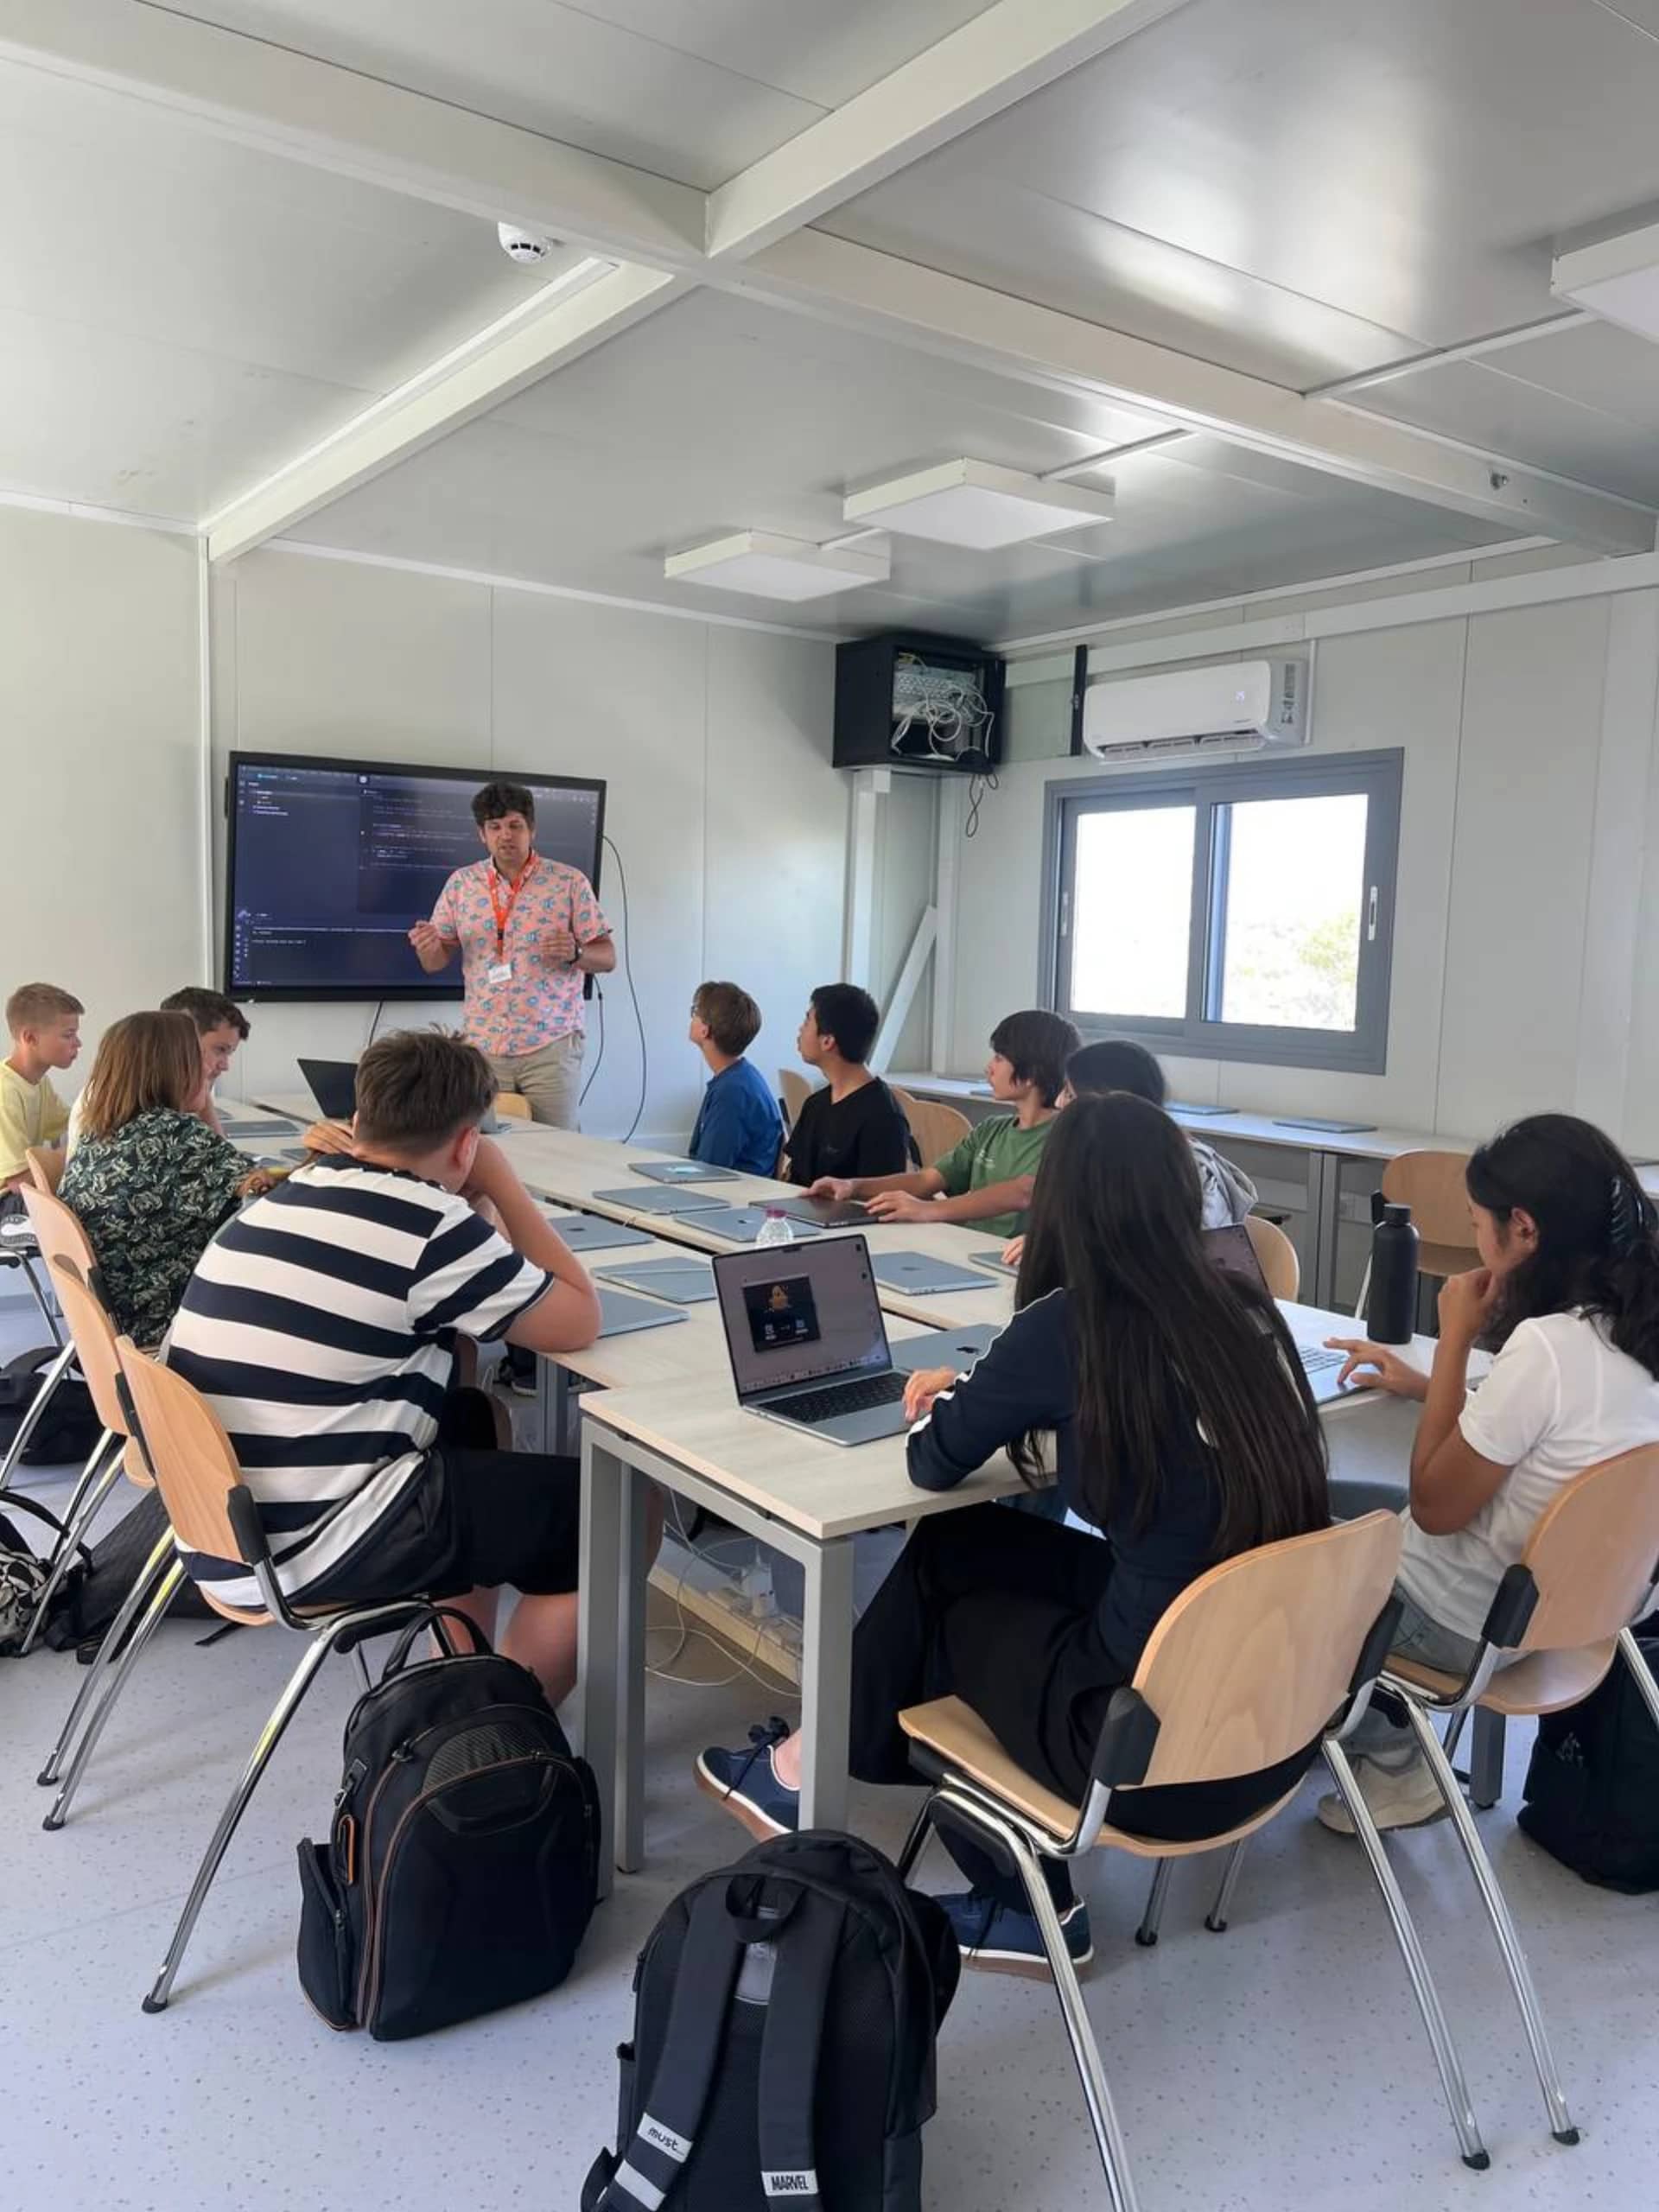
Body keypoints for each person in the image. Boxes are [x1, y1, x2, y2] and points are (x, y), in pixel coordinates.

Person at [701, 1093, 1329, 1976]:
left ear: (1063, 1204)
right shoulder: (1241, 1308)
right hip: (1274, 1720)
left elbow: (933, 1464)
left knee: (945, 1633)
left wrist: (958, 1396)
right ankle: (810, 1758)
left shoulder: (1073, 1325)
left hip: (1145, 1753)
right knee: (957, 1548)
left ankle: (1030, 1904)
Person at [168, 1029, 606, 1702]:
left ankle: (456, 1664)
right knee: (612, 1515)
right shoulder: (429, 1226)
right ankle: (496, 1717)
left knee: (471, 1419)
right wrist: (499, 1180)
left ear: (358, 1116)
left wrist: (467, 1189)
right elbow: (577, 1319)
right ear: (466, 1142)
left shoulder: (285, 1193)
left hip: (221, 1528)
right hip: (310, 1543)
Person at [1318, 1112, 1659, 1834]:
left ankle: (1389, 1757)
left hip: (1453, 1622)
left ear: (1524, 1229)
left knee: (1267, 1536)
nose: (1475, 1240)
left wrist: (1454, 1340)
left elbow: (1435, 1507)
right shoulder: (1628, 1327)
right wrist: (1429, 1387)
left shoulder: (1548, 1347)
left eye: (1478, 1223)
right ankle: (1347, 1714)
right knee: (1327, 1500)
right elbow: (1559, 1436)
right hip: (1572, 1612)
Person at [409, 780, 615, 1130]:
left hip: (551, 1045)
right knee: (489, 1146)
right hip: (484, 1047)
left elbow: (607, 957)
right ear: (482, 834)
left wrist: (577, 952)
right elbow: (435, 963)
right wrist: (428, 949)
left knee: (557, 1149)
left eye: (515, 825)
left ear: (531, 830)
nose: (505, 835)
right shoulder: (461, 884)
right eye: (495, 827)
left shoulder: (568, 882)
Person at [59, 1011, 273, 1344]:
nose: (209, 1068)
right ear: (176, 1066)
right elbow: (270, 1205)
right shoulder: (176, 1135)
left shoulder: (97, 1131)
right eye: (197, 1057)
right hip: (171, 1323)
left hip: (118, 1323)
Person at [808, 1009, 1079, 1239]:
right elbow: (928, 1180)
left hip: (1014, 1263)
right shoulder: (991, 1130)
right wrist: (853, 1186)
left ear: (1030, 1074)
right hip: (967, 1249)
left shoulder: (1065, 1137)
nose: (989, 1067)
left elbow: (1023, 1192)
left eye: (999, 1058)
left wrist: (928, 1210)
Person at [1001, 1038, 1258, 1267]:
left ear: (1109, 1100)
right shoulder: (1104, 1156)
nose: (1058, 1103)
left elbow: (1177, 1265)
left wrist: (1065, 1251)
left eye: (1069, 1094)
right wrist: (1052, 1244)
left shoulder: (1187, 1169)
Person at [67, 986, 251, 1155]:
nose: (225, 1065)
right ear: (183, 1041)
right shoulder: (155, 1118)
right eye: (220, 1050)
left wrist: (201, 1090)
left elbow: (221, 1156)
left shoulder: (138, 1086)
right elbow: (228, 1165)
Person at [782, 983, 915, 1186]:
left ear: (828, 1041)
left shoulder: (883, 1117)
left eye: (807, 1021)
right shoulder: (815, 1105)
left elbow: (879, 1198)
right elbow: (795, 1182)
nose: (800, 1028)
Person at [686, 981, 785, 1175]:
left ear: (705, 1030)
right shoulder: (738, 1078)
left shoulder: (732, 1092)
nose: (692, 1017)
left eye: (695, 1012)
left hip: (732, 1191)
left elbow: (708, 1170)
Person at [1, 982, 83, 1199]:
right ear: (30, 1038)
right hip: (7, 1200)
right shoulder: (5, 1093)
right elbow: (19, 1183)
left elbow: (75, 1123)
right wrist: (74, 1152)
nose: (78, 1043)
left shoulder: (39, 1082)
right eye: (68, 1035)